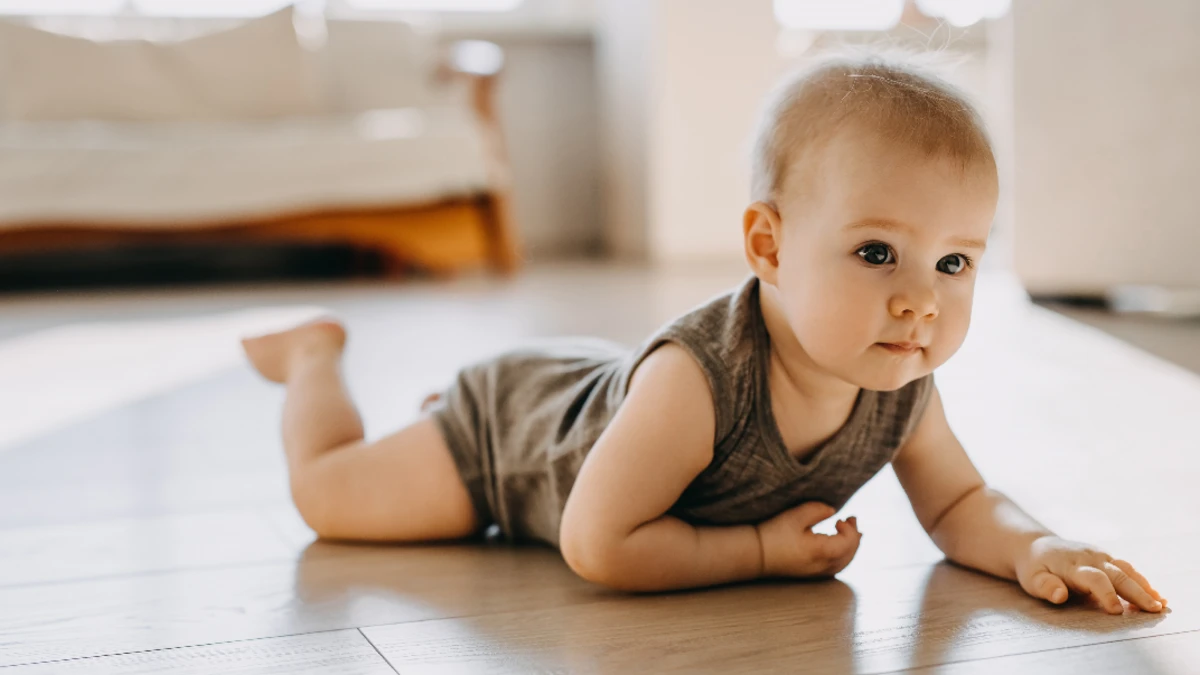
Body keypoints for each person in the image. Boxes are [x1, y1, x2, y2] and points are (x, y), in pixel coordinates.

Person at [242, 50, 1166, 613]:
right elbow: (597, 542)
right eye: (878, 252)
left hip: (602, 399)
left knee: (622, 418)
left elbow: (960, 503)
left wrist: (1032, 545)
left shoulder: (902, 383)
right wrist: (759, 551)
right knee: (329, 498)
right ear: (769, 245)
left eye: (955, 263)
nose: (921, 301)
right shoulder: (702, 381)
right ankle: (317, 355)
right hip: (507, 439)